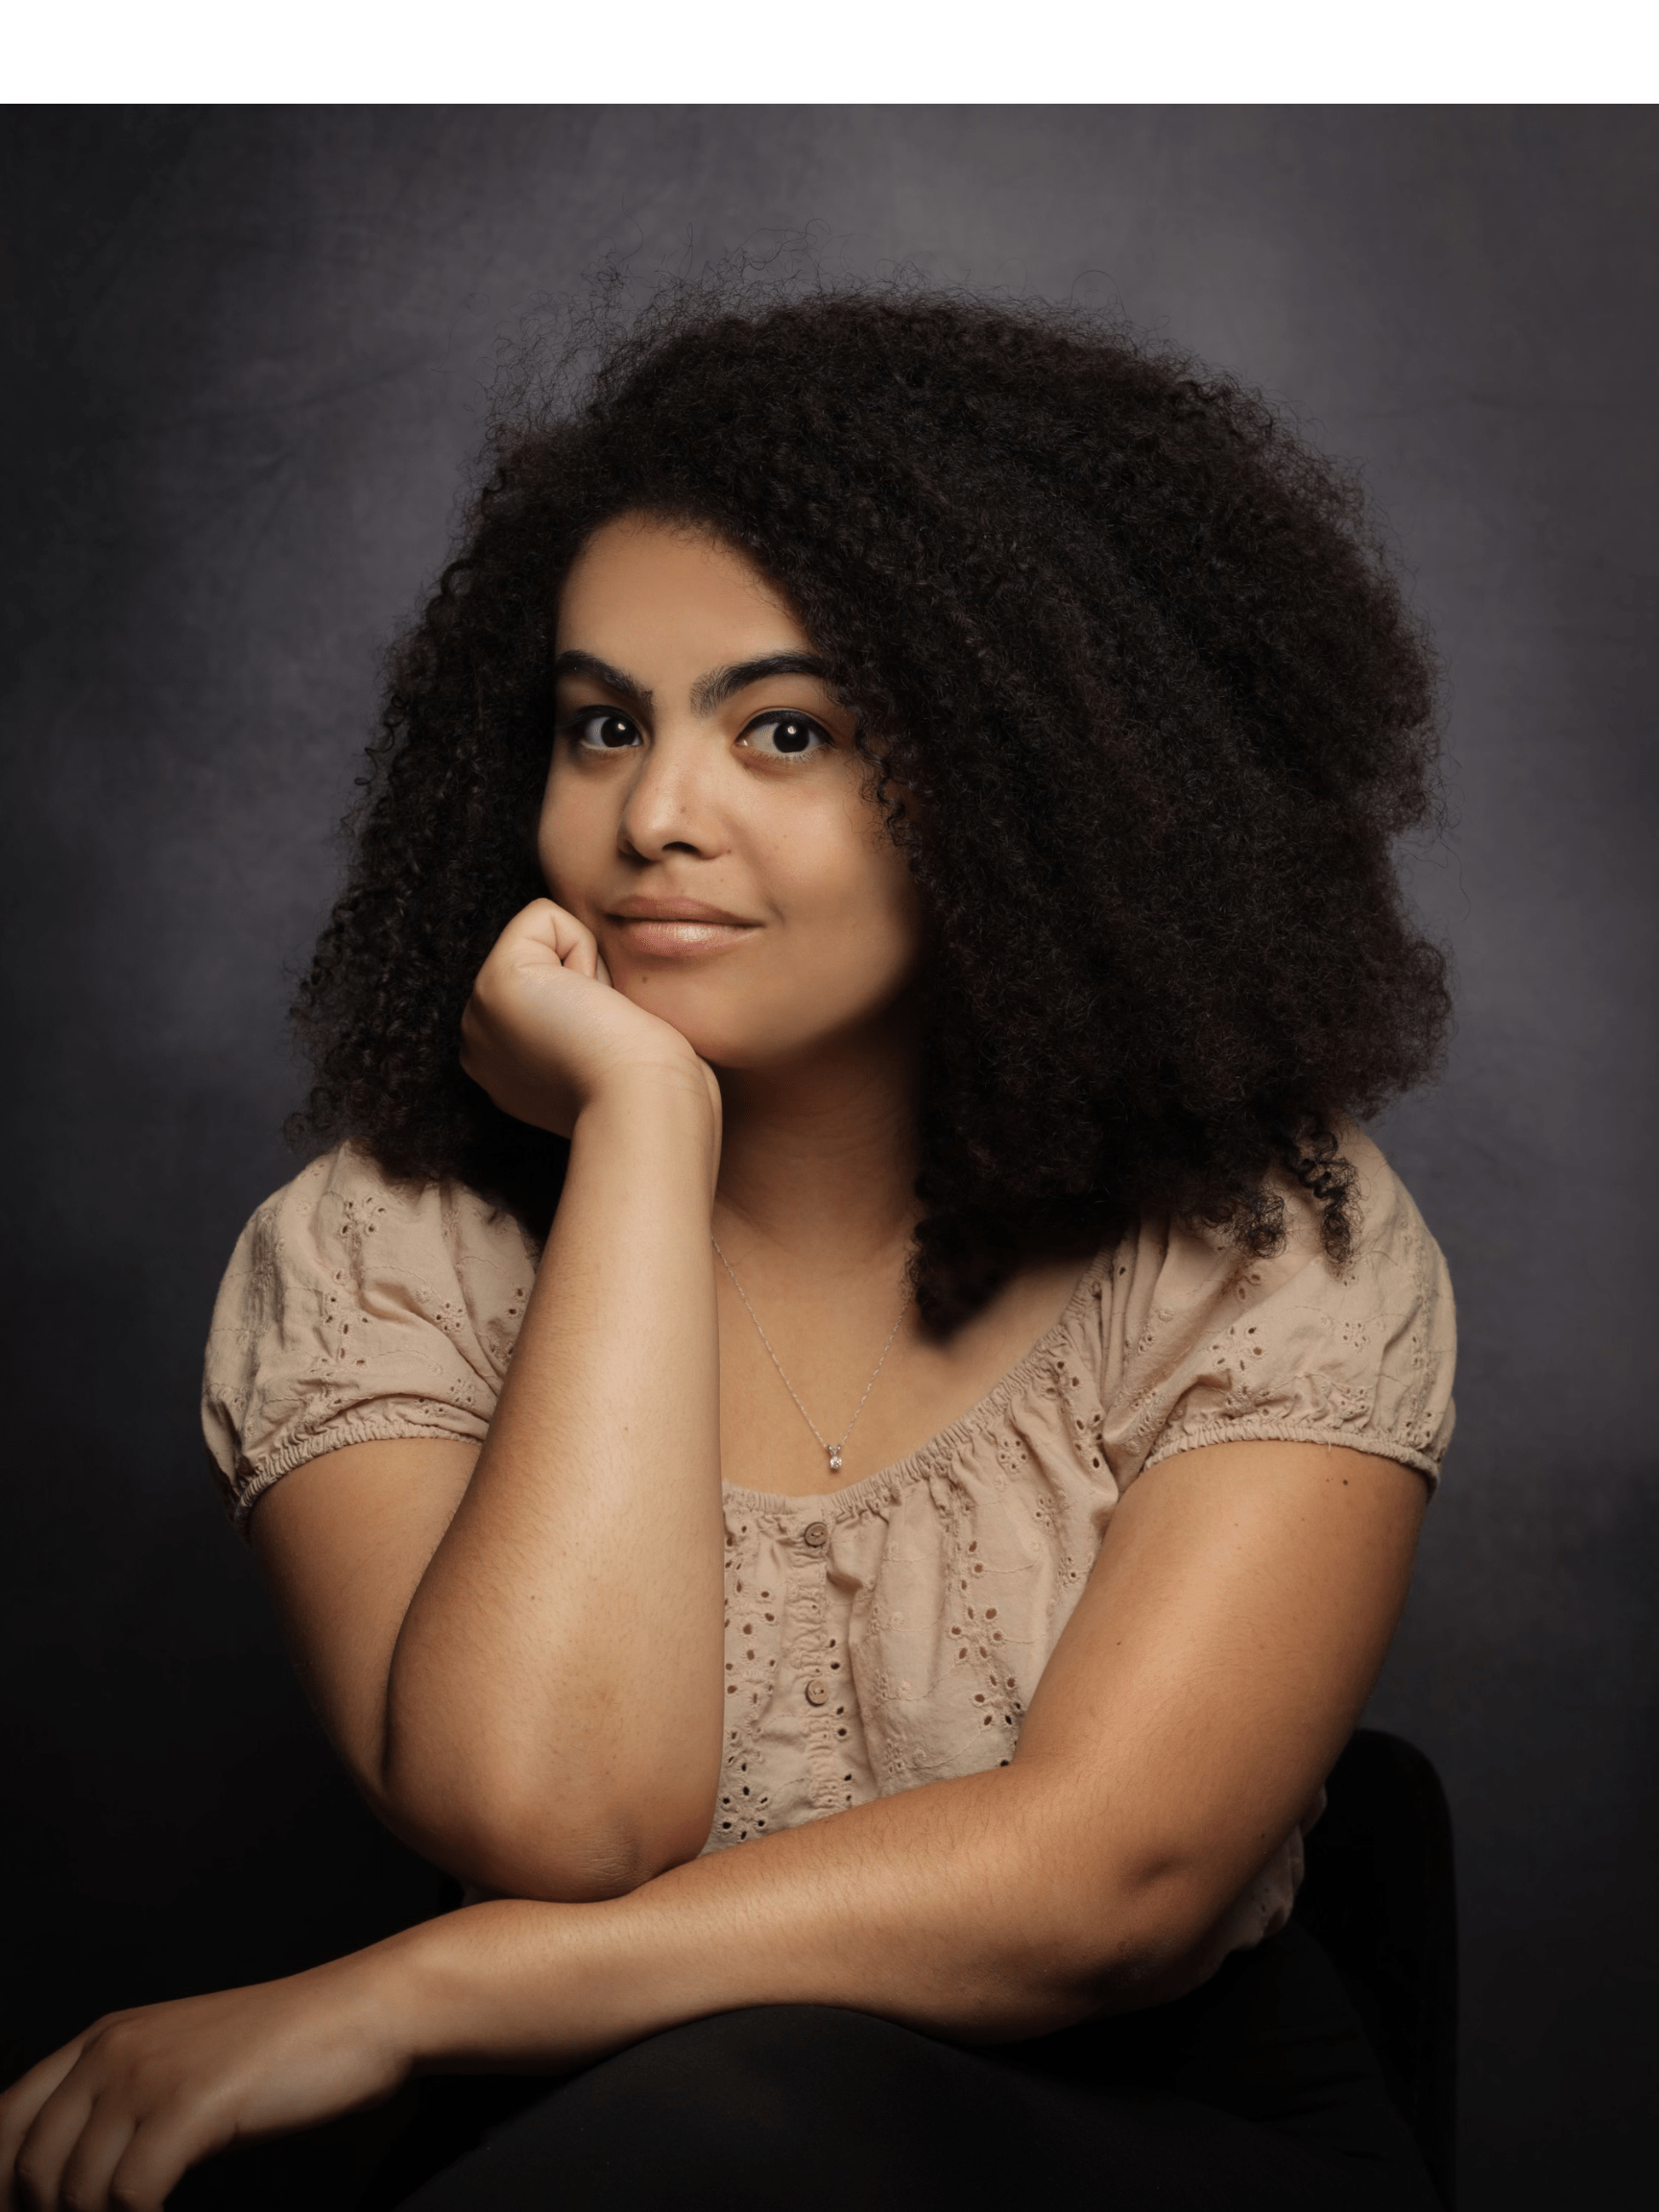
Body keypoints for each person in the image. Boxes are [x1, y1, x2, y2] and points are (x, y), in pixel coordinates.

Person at [1, 283, 1456, 2212]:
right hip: (606, 2145)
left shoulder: (1267, 1236)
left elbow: (1120, 1882)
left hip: (1169, 2138)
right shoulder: (376, 1258)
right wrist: (641, 1130)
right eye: (602, 724)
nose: (653, 816)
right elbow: (563, 1813)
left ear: (1029, 775)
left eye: (785, 730)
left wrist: (422, 1985)